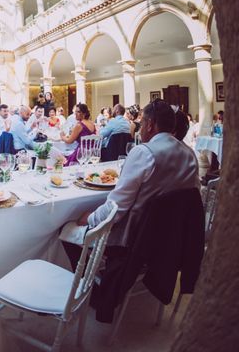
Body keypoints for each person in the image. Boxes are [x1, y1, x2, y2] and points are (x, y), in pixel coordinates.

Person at [61, 99, 200, 256]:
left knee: (65, 229)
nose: (139, 129)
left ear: (150, 124)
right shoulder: (190, 154)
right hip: (172, 237)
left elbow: (116, 208)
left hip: (134, 240)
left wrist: (90, 218)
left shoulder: (144, 152)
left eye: (142, 122)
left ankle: (90, 278)